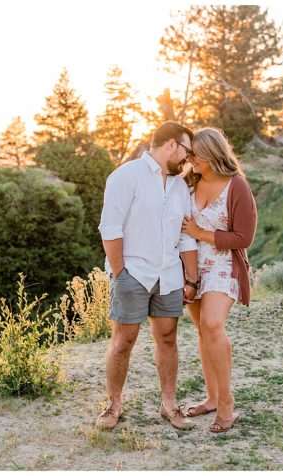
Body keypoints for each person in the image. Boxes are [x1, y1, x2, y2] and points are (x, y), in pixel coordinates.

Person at [95, 121, 200, 430]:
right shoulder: (126, 177)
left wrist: (191, 279)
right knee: (123, 341)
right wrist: (121, 275)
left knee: (168, 338)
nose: (187, 158)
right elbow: (110, 228)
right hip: (134, 274)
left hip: (169, 276)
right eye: (186, 151)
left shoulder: (180, 187)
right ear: (170, 145)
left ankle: (169, 405)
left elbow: (185, 237)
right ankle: (113, 404)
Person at [180, 127, 258, 433]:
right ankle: (211, 398)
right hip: (191, 267)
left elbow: (244, 237)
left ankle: (227, 404)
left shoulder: (236, 185)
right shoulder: (188, 181)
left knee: (212, 325)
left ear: (211, 154)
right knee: (202, 332)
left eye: (194, 155)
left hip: (224, 266)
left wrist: (201, 234)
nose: (190, 160)